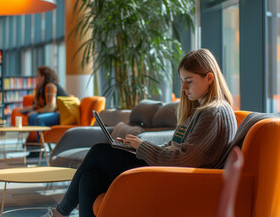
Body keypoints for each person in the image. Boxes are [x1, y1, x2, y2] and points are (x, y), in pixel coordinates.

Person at [43, 49, 237, 217]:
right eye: (182, 81)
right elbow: (173, 148)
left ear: (209, 78)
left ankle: (61, 212)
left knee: (98, 152)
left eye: (189, 81)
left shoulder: (215, 112)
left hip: (177, 180)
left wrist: (142, 146)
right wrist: (133, 148)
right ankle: (62, 212)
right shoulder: (200, 111)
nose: (184, 88)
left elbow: (184, 160)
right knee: (90, 178)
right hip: (170, 172)